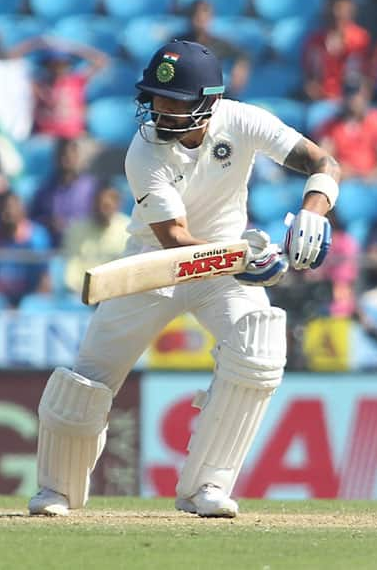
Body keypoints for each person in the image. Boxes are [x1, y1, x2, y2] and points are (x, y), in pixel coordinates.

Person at [28, 39, 342, 519]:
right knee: (90, 377)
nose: (160, 110)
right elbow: (174, 237)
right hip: (157, 264)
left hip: (224, 268)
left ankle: (206, 487)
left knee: (259, 349)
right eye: (156, 97)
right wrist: (241, 257)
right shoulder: (143, 152)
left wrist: (313, 212)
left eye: (174, 101)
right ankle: (56, 490)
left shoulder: (241, 120)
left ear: (209, 102)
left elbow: (324, 163)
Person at [9, 36, 110, 140]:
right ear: (47, 66)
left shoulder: (76, 81)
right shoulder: (38, 85)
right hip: (45, 139)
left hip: (73, 137)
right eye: (53, 64)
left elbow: (101, 61)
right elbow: (10, 59)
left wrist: (71, 47)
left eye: (62, 64)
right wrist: (37, 44)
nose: (58, 68)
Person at [0, 192, 51, 303]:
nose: (7, 213)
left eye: (11, 207)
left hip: (29, 301)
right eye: (4, 208)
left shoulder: (37, 236)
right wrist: (3, 306)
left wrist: (31, 305)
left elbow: (44, 277)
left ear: (22, 210)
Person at [315, 75, 377, 181]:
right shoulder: (330, 126)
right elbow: (324, 159)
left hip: (372, 183)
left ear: (366, 95)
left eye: (357, 93)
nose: (352, 99)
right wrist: (340, 172)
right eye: (348, 93)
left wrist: (367, 178)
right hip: (342, 181)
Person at [302, 0, 370, 101]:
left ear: (350, 11)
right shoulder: (314, 42)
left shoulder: (361, 40)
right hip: (320, 102)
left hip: (350, 101)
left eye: (341, 10)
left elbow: (367, 76)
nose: (337, 14)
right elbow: (309, 76)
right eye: (333, 10)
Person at [61, 186, 132, 294]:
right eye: (99, 204)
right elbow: (71, 269)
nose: (103, 210)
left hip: (117, 294)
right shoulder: (77, 229)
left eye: (107, 206)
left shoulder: (128, 230)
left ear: (117, 205)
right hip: (81, 294)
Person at [30, 138, 99, 246]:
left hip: (83, 246)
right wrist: (49, 223)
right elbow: (33, 219)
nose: (66, 159)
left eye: (70, 154)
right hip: (52, 246)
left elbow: (97, 217)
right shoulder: (44, 188)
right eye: (62, 154)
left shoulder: (91, 187)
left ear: (77, 156)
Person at [175, 0, 250, 96]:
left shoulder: (219, 44)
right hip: (184, 92)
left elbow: (243, 55)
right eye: (196, 13)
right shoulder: (179, 43)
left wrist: (240, 68)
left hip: (210, 93)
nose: (201, 17)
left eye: (205, 12)